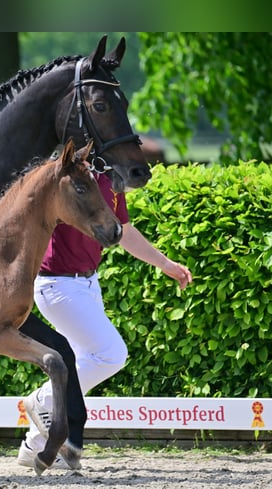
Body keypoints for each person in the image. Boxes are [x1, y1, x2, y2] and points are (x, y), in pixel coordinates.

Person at [17, 167, 193, 469]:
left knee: (81, 361)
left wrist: (164, 263)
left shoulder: (111, 178)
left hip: (87, 282)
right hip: (57, 284)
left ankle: (34, 446)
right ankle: (44, 400)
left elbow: (122, 228)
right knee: (110, 355)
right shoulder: (65, 176)